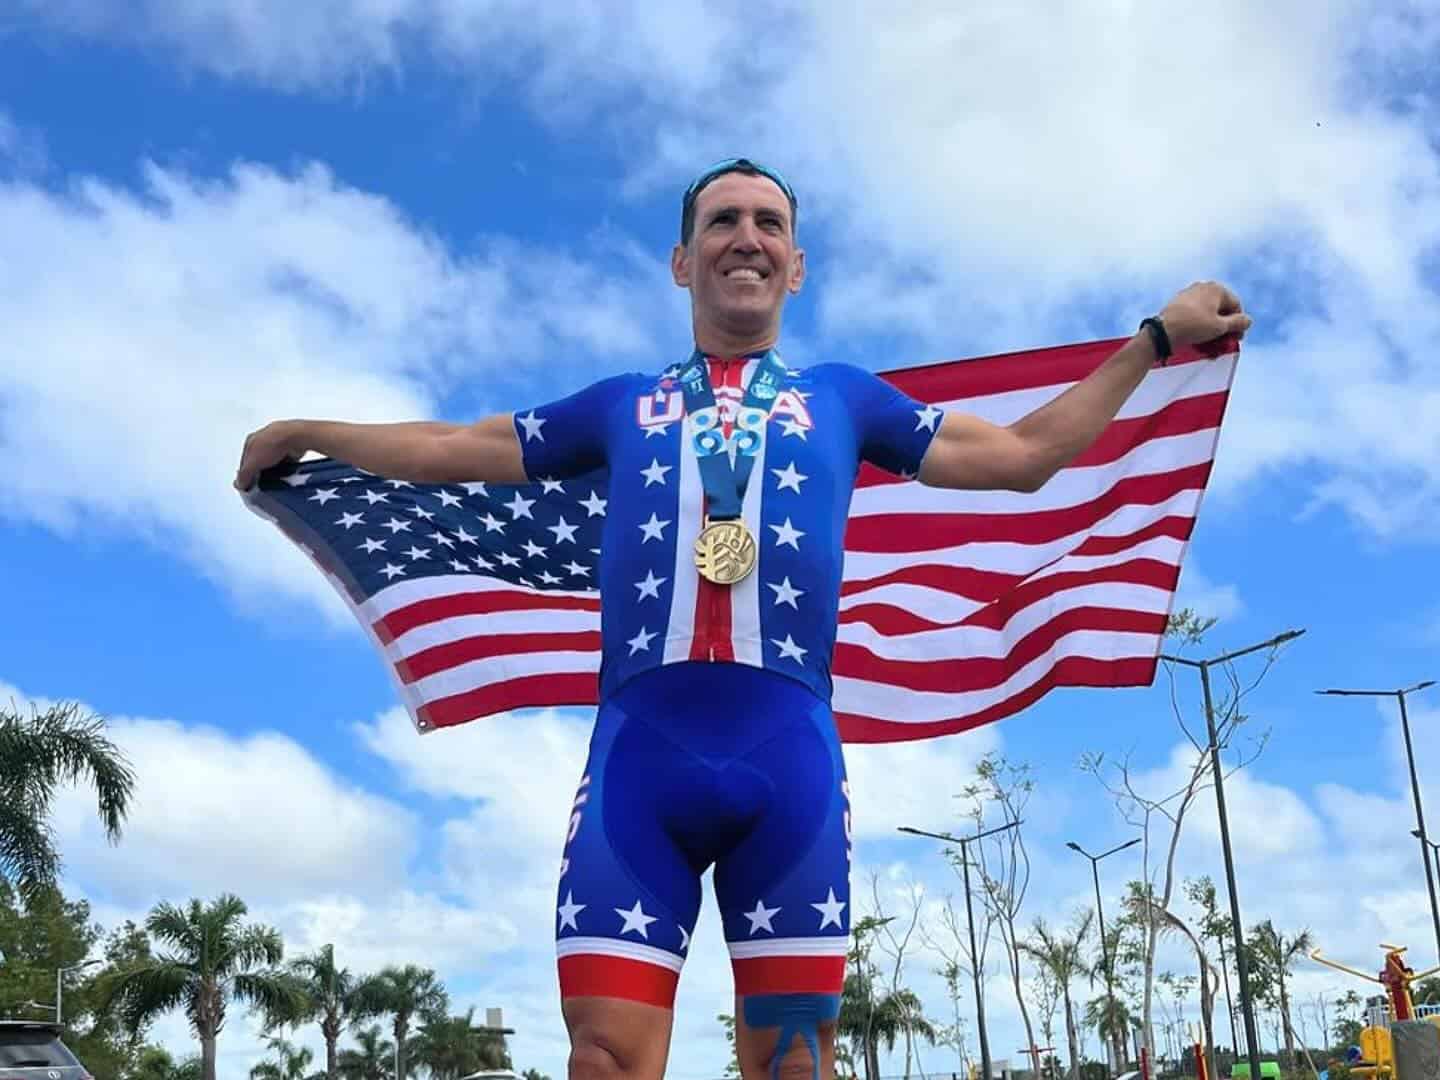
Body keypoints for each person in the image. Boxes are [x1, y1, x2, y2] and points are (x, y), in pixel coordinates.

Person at [235, 158, 1253, 1080]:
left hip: (790, 765)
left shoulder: (849, 401)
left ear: (796, 266)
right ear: (684, 261)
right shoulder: (620, 405)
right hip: (640, 762)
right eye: (724, 220)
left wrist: (1154, 341)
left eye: (768, 222)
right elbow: (460, 444)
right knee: (602, 1059)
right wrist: (312, 430)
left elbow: (1027, 455)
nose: (747, 237)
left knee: (797, 1065)